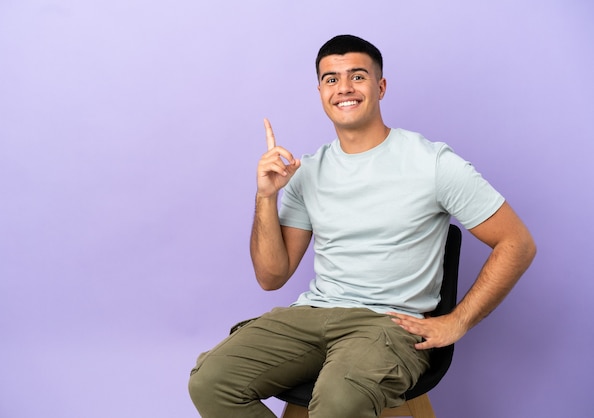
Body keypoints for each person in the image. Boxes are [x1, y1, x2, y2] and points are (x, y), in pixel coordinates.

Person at [188, 34, 536, 418]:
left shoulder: (432, 163)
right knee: (211, 380)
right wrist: (266, 196)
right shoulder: (307, 170)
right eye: (332, 79)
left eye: (358, 76)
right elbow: (272, 276)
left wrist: (458, 321)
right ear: (320, 91)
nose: (345, 88)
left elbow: (516, 243)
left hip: (386, 325)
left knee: (337, 402)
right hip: (313, 315)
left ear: (380, 86)